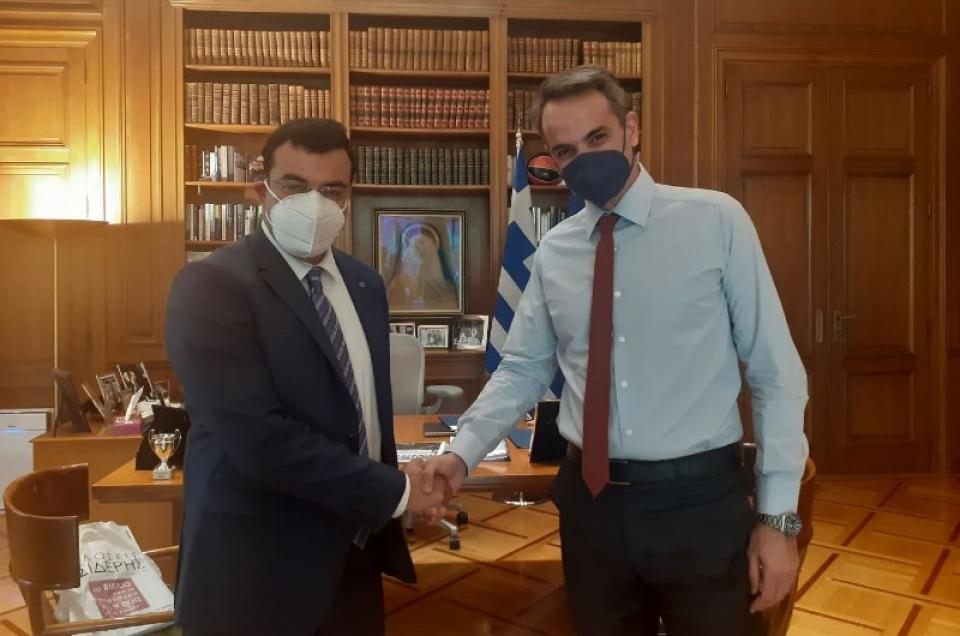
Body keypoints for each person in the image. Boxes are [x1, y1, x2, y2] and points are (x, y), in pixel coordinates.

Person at [422, 65, 809, 636]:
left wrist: (778, 521)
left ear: (632, 129)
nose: (584, 158)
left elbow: (776, 373)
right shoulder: (555, 251)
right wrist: (461, 454)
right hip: (592, 510)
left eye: (597, 137)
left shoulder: (715, 221)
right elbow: (523, 367)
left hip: (700, 504)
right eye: (565, 150)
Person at [165, 118, 449, 636]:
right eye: (295, 186)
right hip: (254, 573)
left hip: (354, 558)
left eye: (331, 190)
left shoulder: (365, 285)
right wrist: (397, 491)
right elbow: (259, 439)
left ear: (348, 200)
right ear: (262, 190)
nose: (314, 203)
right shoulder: (210, 286)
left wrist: (398, 494)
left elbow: (365, 415)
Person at [385, 221, 459, 311]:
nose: (420, 254)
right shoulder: (395, 286)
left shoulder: (446, 289)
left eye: (425, 248)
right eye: (415, 248)